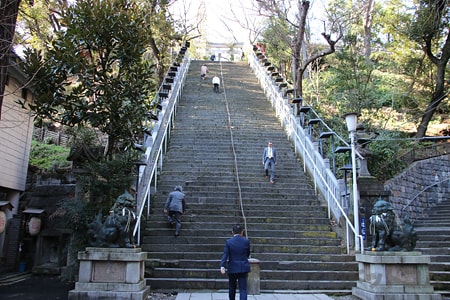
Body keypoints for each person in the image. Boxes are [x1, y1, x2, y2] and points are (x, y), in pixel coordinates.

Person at [220, 224, 251, 300]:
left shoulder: (229, 242)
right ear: (242, 232)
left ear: (232, 232)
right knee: (243, 289)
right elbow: (248, 253)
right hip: (243, 266)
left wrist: (222, 266)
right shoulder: (246, 241)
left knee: (232, 288)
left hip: (233, 267)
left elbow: (225, 254)